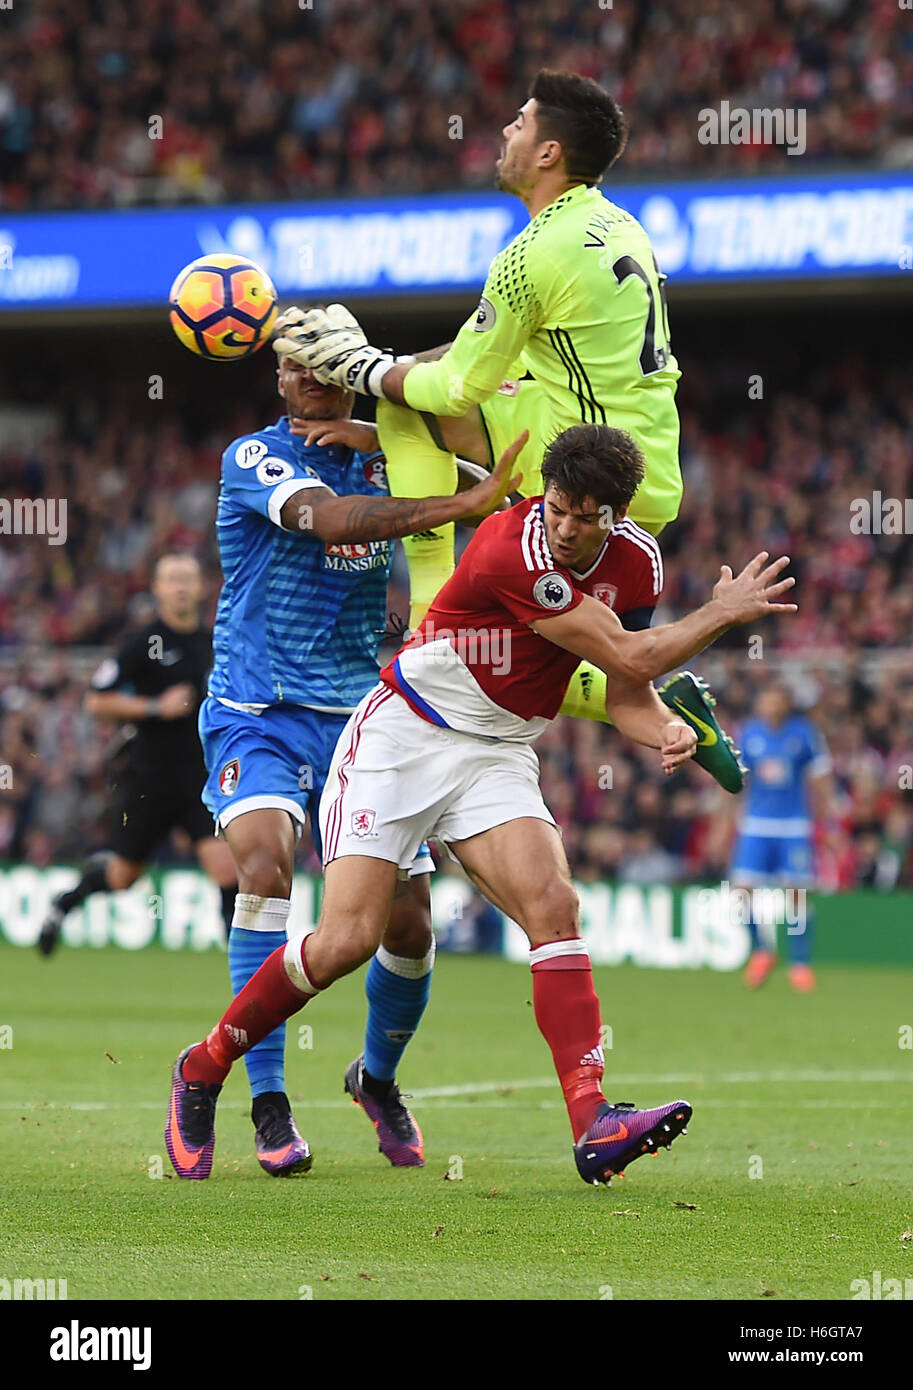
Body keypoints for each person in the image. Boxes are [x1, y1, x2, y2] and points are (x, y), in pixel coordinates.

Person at [165, 424, 797, 1187]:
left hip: (496, 750)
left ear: (617, 516)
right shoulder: (511, 546)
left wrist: (660, 725)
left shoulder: (636, 564)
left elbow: (627, 687)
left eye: (585, 516)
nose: (564, 528)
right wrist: (721, 613)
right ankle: (203, 1068)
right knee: (346, 940)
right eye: (557, 507)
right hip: (406, 734)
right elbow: (631, 654)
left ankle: (593, 1124)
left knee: (554, 907)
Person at [273, 68, 745, 795]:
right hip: (643, 456)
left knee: (408, 413)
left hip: (582, 464)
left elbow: (457, 385)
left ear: (549, 152)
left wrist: (365, 371)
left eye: (519, 122)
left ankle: (430, 621)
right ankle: (663, 704)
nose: (504, 132)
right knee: (531, 643)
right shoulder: (616, 224)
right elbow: (483, 362)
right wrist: (388, 373)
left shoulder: (528, 256)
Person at [190, 348, 521, 1178]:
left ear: (351, 373)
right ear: (276, 381)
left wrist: (394, 420)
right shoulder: (254, 457)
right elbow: (332, 521)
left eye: (328, 365)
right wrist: (462, 500)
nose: (311, 380)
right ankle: (266, 1101)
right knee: (264, 871)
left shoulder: (389, 448)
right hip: (257, 709)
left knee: (405, 924)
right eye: (295, 367)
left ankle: (376, 1079)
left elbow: (508, 483)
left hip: (364, 722)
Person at [38, 553, 238, 955]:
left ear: (201, 588)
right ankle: (66, 901)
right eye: (172, 578)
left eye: (188, 577)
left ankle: (242, 970)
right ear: (158, 589)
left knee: (227, 873)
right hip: (149, 779)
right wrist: (155, 707)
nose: (181, 585)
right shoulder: (146, 642)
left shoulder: (214, 642)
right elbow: (97, 701)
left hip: (200, 779)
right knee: (123, 876)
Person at [725, 682, 835, 992]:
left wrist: (830, 824)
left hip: (793, 826)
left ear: (787, 704)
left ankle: (800, 964)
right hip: (755, 825)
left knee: (797, 895)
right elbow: (733, 780)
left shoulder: (804, 734)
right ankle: (762, 950)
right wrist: (723, 826)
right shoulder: (748, 733)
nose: (771, 706)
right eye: (766, 700)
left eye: (777, 701)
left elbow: (821, 778)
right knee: (742, 892)